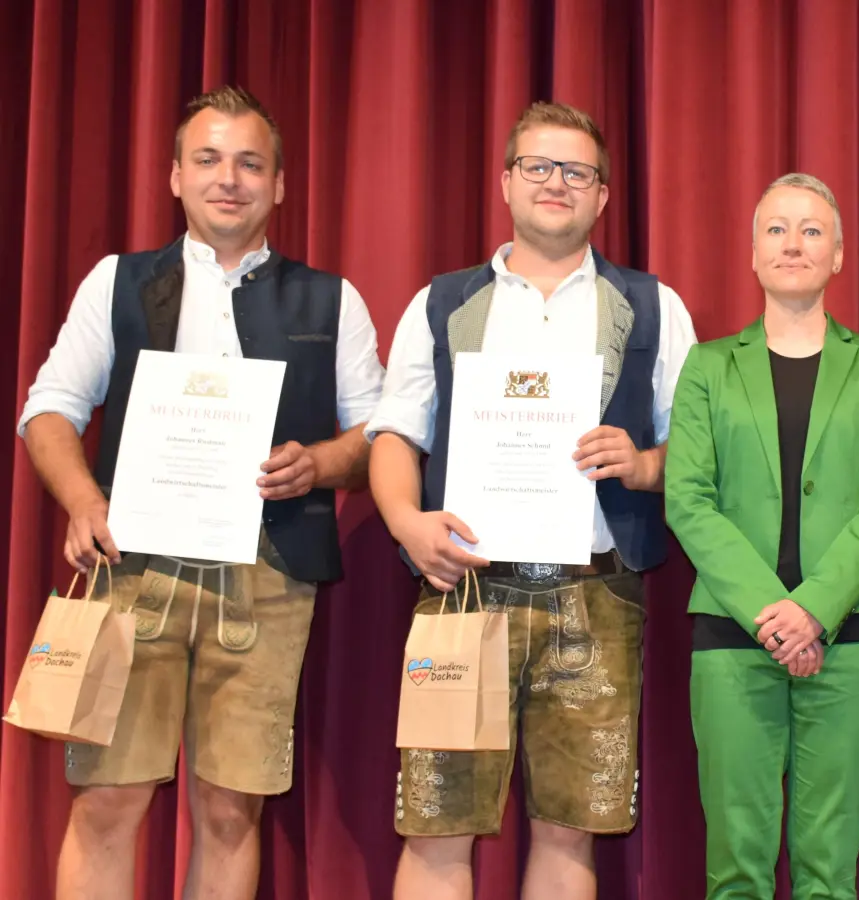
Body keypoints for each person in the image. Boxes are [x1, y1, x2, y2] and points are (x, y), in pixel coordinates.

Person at [16, 85, 385, 898]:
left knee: (229, 813)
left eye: (251, 163)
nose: (230, 178)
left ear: (280, 184)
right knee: (108, 800)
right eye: (209, 159)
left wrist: (319, 465)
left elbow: (379, 437)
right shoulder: (116, 283)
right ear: (175, 177)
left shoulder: (335, 300)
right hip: (131, 566)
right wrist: (83, 500)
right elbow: (48, 409)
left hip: (268, 571)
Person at [367, 101, 698, 900]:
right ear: (508, 181)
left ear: (603, 195)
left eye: (576, 171)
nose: (557, 184)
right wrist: (409, 525)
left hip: (597, 592)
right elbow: (393, 436)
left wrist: (644, 463)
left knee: (568, 829)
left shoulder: (653, 306)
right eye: (540, 167)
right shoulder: (442, 302)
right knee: (438, 821)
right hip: (463, 590)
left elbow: (696, 450)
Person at [664, 173, 859, 898]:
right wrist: (771, 613)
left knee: (829, 872)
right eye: (777, 228)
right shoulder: (709, 368)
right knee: (736, 867)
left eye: (812, 230)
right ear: (752, 253)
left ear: (838, 256)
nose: (794, 243)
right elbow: (688, 499)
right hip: (731, 637)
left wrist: (814, 609)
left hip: (850, 635)